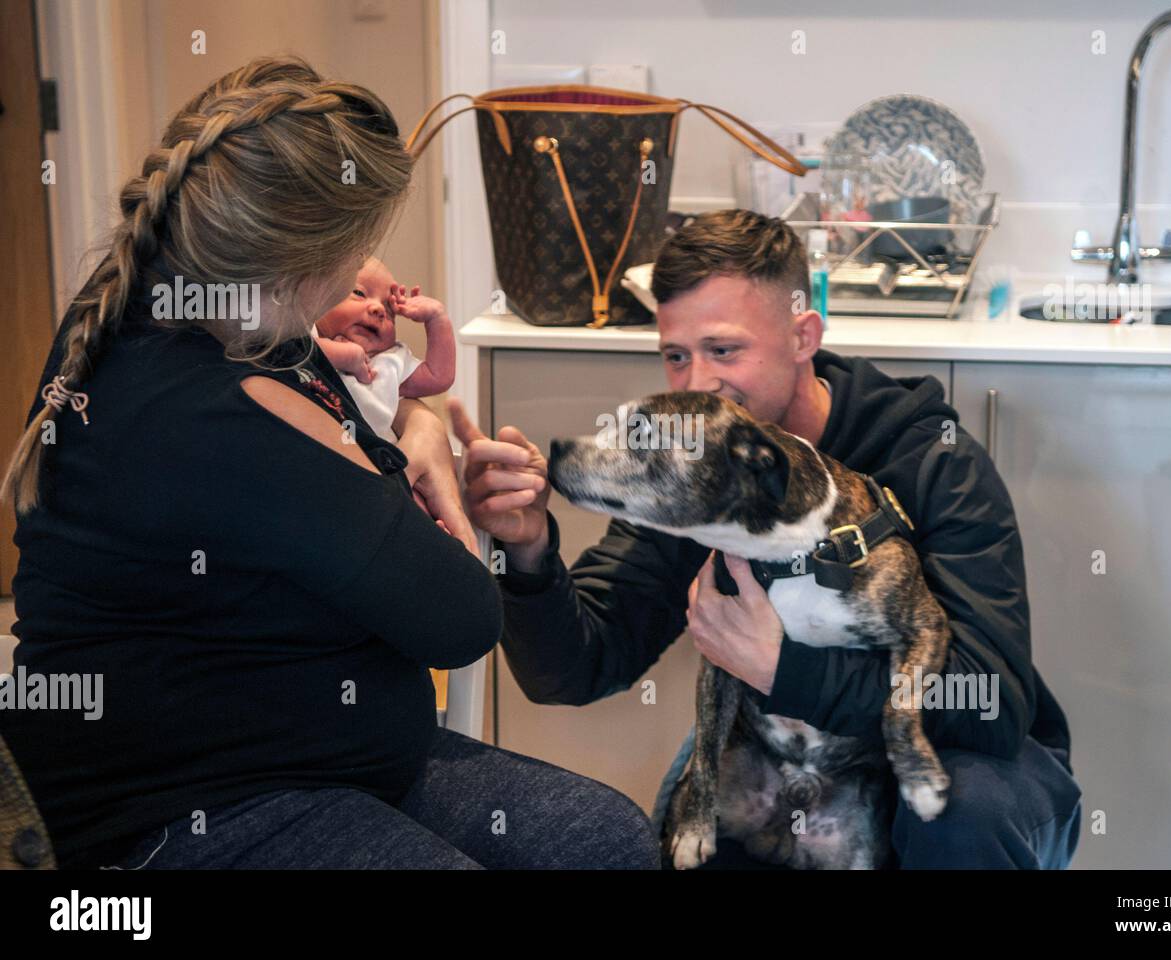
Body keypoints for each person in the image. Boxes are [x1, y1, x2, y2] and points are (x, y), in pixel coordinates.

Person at [0, 56, 658, 871]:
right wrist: (427, 469)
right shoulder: (220, 408)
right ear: (305, 264)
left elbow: (375, 434)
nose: (365, 282)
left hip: (325, 755)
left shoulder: (178, 304)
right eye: (361, 251)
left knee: (603, 838)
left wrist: (416, 429)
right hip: (185, 805)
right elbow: (460, 619)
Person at [452, 208, 1084, 870]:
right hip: (783, 753)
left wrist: (786, 670)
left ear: (803, 335)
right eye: (676, 355)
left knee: (966, 814)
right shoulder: (695, 472)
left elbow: (990, 701)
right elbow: (577, 668)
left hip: (953, 756)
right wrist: (527, 554)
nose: (699, 384)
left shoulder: (931, 459)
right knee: (682, 831)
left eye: (724, 350)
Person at [312, 257, 456, 443]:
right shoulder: (307, 334)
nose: (379, 309)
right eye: (359, 293)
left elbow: (438, 377)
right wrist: (347, 356)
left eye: (390, 312)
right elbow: (292, 355)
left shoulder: (388, 361)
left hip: (375, 462)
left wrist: (437, 319)